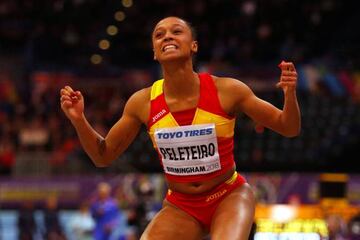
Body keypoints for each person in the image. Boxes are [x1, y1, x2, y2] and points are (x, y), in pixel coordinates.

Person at [60, 16, 300, 240]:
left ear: (193, 46)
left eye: (177, 32)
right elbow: (103, 156)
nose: (167, 37)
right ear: (155, 52)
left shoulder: (227, 90)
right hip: (181, 205)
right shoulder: (142, 103)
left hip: (229, 195)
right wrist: (79, 120)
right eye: (159, 35)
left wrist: (290, 95)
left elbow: (288, 127)